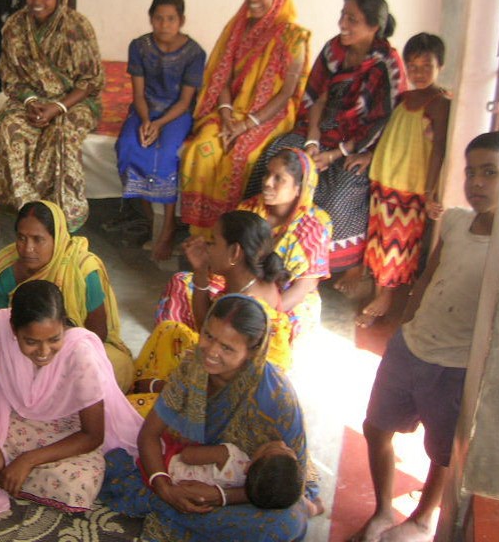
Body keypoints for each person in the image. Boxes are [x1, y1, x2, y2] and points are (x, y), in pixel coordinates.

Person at [351, 131, 499, 542]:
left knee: (442, 452)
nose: (476, 182)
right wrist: (405, 327)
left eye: (490, 172)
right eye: (471, 172)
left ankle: (421, 519)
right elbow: (427, 278)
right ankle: (383, 511)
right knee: (376, 427)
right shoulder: (454, 221)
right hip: (411, 346)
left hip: (457, 366)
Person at [100, 294, 321, 542]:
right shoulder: (192, 368)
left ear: (253, 352)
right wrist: (164, 487)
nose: (211, 352)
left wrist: (221, 496)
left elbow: (288, 483)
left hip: (253, 489)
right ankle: (172, 508)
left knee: (286, 523)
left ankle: (166, 510)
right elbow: (149, 435)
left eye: (227, 348)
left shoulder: (277, 398)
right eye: (208, 336)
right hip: (192, 470)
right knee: (128, 465)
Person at [0, 280, 144, 515]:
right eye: (31, 342)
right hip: (11, 421)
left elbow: (92, 435)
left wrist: (28, 460)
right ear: (14, 330)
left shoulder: (81, 353)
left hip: (63, 435)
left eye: (54, 339)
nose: (44, 352)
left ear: (63, 324)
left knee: (76, 484)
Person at [264, 0, 405, 276]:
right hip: (320, 129)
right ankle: (270, 243)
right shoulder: (333, 50)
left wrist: (336, 154)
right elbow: (317, 98)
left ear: (373, 26)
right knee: (277, 156)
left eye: (352, 19)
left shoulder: (387, 63)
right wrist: (313, 141)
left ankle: (319, 264)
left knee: (338, 190)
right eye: (342, 15)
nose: (342, 24)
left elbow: (383, 121)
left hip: (362, 144)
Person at [180, 0, 310, 237]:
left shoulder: (293, 37)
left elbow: (286, 93)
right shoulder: (238, 28)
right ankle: (201, 235)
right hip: (230, 109)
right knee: (201, 150)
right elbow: (222, 78)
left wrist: (246, 125)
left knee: (241, 156)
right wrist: (227, 116)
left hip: (269, 114)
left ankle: (230, 237)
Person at [160, 148, 332, 340]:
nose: (267, 182)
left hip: (286, 299)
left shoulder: (315, 225)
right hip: (242, 281)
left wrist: (263, 314)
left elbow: (304, 286)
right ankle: (186, 342)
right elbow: (230, 257)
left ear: (299, 187)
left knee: (274, 325)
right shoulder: (250, 208)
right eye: (267, 174)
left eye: (279, 178)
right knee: (182, 284)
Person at [0, 0, 104, 232]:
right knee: (7, 127)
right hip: (31, 99)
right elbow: (9, 74)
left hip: (74, 100)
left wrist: (56, 107)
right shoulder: (15, 26)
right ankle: (28, 211)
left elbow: (91, 81)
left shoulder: (77, 26)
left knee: (60, 135)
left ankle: (61, 220)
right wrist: (30, 102)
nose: (37, 1)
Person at [132, 210, 296, 406]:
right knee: (170, 331)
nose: (206, 246)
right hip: (218, 373)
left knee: (135, 407)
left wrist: (158, 386)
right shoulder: (246, 282)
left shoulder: (247, 305)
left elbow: (223, 386)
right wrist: (201, 271)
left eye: (212, 242)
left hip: (229, 399)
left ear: (235, 252)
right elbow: (205, 325)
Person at [0, 200, 135, 391]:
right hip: (24, 349)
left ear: (57, 238)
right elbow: (2, 328)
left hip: (74, 351)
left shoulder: (82, 269)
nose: (27, 248)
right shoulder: (5, 269)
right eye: (22, 238)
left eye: (38, 239)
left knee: (117, 366)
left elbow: (97, 333)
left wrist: (58, 359)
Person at [357, 33, 451, 327]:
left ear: (441, 66)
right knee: (379, 242)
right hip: (385, 181)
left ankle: (385, 298)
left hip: (410, 188)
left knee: (397, 247)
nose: (418, 73)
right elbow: (390, 136)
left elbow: (438, 149)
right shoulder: (404, 99)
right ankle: (378, 292)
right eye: (412, 66)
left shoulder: (439, 103)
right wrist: (369, 157)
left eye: (426, 66)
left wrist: (430, 192)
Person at [115, 0, 206, 259]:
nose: (164, 25)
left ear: (182, 21)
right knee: (128, 146)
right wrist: (146, 121)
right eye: (158, 18)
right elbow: (138, 94)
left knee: (165, 155)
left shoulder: (194, 53)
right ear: (150, 18)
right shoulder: (139, 46)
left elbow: (186, 101)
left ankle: (167, 226)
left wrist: (159, 124)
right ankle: (147, 216)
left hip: (176, 113)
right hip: (145, 108)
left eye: (171, 19)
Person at [168, 439, 304, 511]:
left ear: (249, 466)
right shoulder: (254, 487)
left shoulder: (230, 456)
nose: (282, 443)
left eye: (283, 449)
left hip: (169, 465)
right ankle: (312, 507)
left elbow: (187, 455)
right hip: (183, 492)